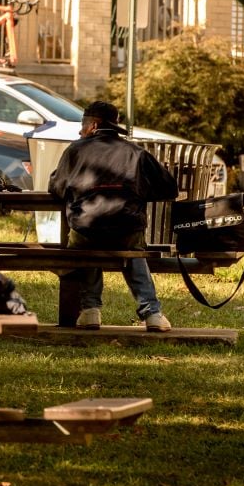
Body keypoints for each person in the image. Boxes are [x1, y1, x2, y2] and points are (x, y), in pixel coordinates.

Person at [48, 101, 179, 332]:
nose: (80, 131)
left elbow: (56, 188)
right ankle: (152, 314)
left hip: (86, 229)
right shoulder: (135, 152)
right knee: (134, 251)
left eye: (83, 125)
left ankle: (89, 311)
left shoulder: (75, 151)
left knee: (85, 243)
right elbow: (169, 188)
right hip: (127, 228)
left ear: (94, 125)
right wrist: (136, 191)